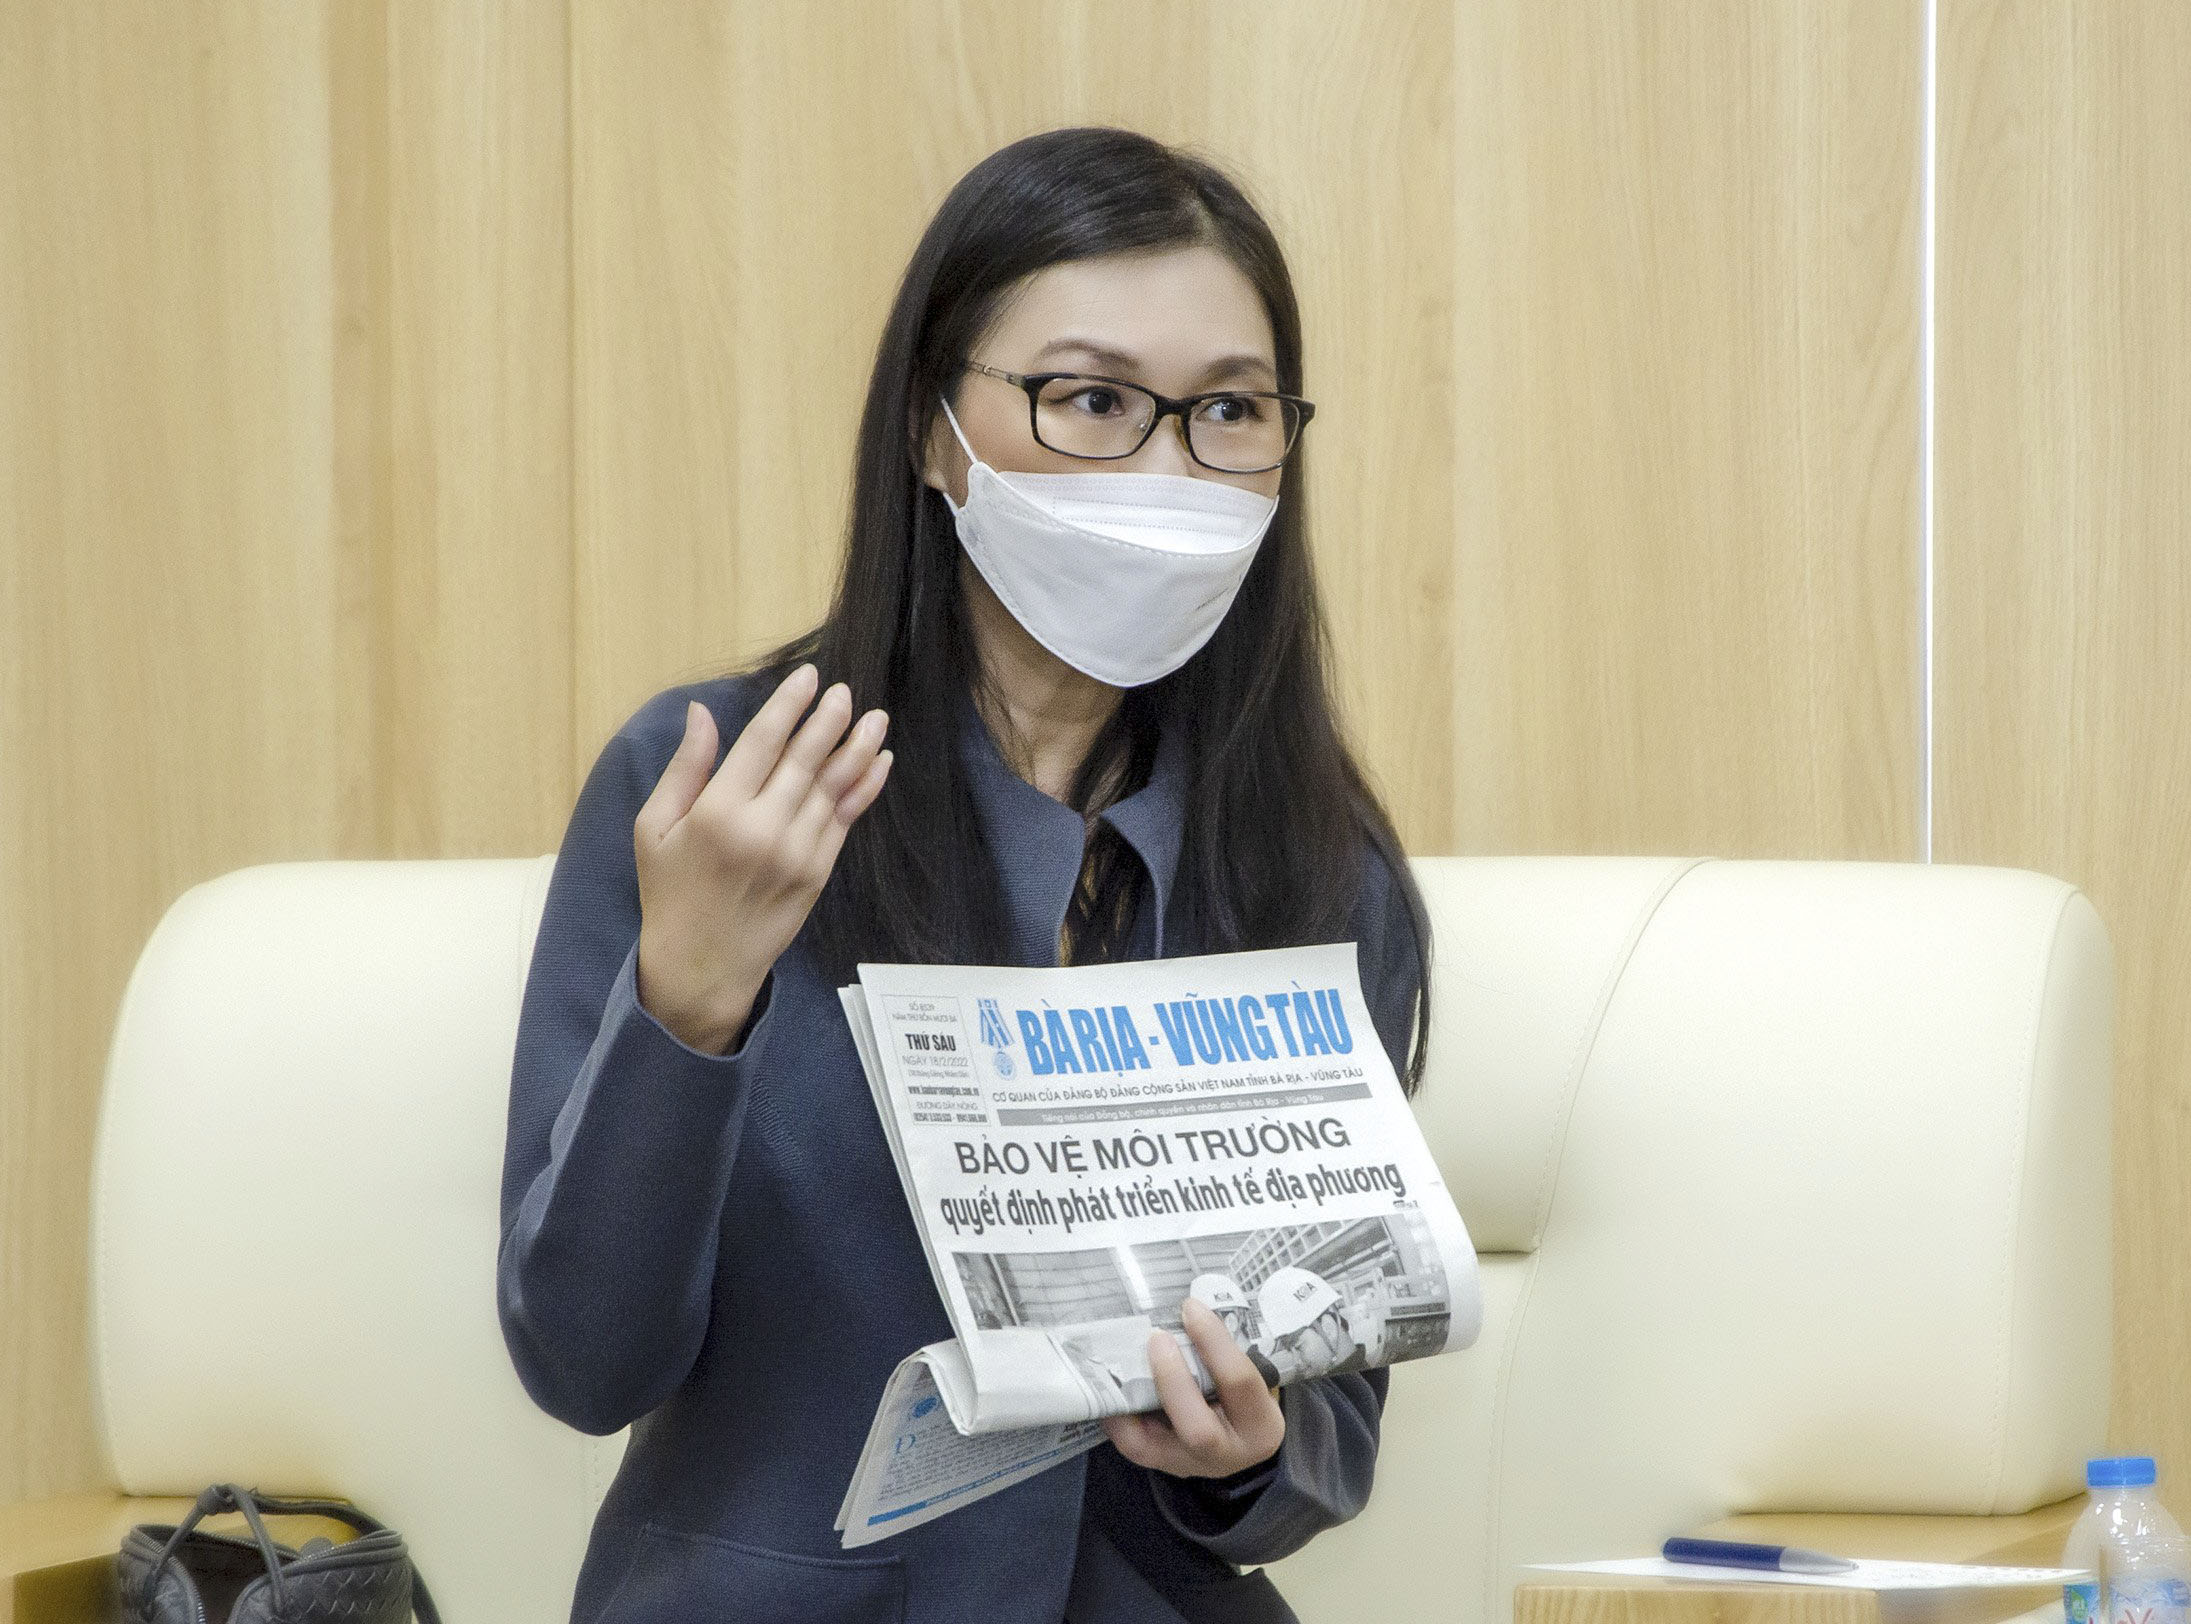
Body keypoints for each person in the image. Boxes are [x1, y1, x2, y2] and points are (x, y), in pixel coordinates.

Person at [496, 125, 1434, 1624]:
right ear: (936, 431)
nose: (1169, 467)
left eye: (1228, 411)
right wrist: (692, 995)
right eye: (1093, 400)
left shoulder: (1319, 865)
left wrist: (1251, 1455)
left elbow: (1333, 1428)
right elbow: (582, 1361)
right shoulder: (721, 787)